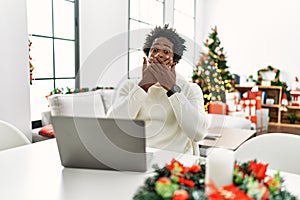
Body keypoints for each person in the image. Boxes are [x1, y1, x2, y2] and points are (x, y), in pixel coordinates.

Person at [107, 24, 208, 155]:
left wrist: (171, 88)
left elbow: (198, 133)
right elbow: (112, 127)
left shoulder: (191, 90)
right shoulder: (130, 87)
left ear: (174, 61)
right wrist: (143, 86)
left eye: (166, 52)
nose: (159, 55)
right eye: (154, 50)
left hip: (176, 163)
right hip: (138, 158)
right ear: (147, 56)